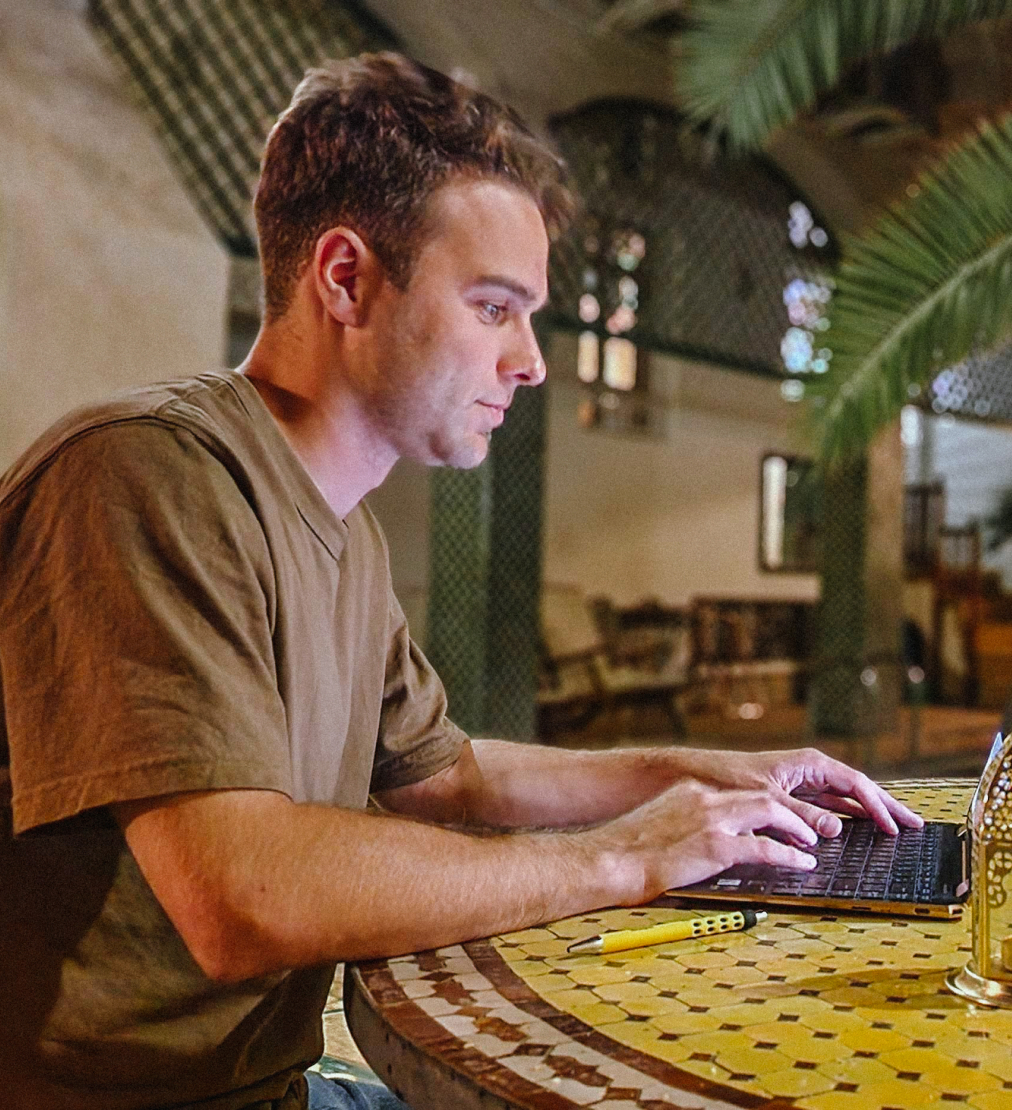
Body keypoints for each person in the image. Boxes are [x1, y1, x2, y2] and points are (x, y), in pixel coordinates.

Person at [0, 52, 921, 1110]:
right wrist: (622, 858)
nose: (530, 361)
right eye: (494, 307)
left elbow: (455, 778)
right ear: (345, 279)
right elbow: (240, 891)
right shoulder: (145, 473)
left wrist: (713, 778)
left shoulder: (344, 534)